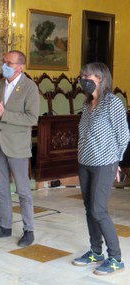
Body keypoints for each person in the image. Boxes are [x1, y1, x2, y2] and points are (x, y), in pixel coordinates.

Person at [72, 62, 129, 275]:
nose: (84, 79)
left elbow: (123, 135)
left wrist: (116, 161)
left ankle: (115, 258)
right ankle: (96, 252)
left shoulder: (112, 103)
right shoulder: (87, 104)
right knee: (89, 209)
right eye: (82, 75)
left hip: (105, 163)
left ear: (101, 79)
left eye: (89, 76)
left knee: (98, 209)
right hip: (85, 162)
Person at [0, 50, 39, 247]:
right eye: (4, 61)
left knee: (23, 191)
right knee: (1, 189)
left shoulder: (30, 88)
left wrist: (4, 114)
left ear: (20, 67)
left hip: (17, 146)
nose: (4, 65)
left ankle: (29, 230)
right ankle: (5, 226)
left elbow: (32, 119)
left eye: (9, 62)